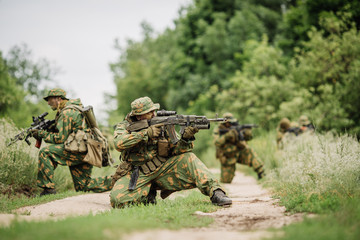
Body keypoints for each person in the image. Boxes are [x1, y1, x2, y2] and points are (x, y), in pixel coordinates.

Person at [110, 96, 232, 208]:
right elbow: (118, 143)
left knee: (189, 157)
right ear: (139, 116)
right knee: (118, 201)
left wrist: (186, 138)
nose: (154, 114)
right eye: (149, 113)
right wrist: (145, 133)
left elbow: (177, 150)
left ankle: (216, 192)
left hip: (163, 169)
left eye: (154, 110)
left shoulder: (162, 123)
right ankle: (147, 195)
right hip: (137, 173)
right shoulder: (125, 126)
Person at [30, 88, 112, 196]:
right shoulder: (75, 108)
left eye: (50, 99)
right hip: (86, 150)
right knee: (84, 186)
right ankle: (118, 181)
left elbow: (60, 139)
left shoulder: (67, 112)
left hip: (78, 150)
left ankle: (48, 190)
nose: (48, 103)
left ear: (59, 99)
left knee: (45, 153)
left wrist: (41, 134)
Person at [213, 113, 265, 183]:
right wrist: (227, 136)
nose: (229, 124)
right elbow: (217, 142)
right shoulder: (219, 129)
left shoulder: (236, 126)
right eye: (227, 122)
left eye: (230, 122)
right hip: (227, 156)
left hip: (239, 152)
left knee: (248, 150)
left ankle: (261, 173)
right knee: (225, 181)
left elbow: (246, 140)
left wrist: (246, 133)